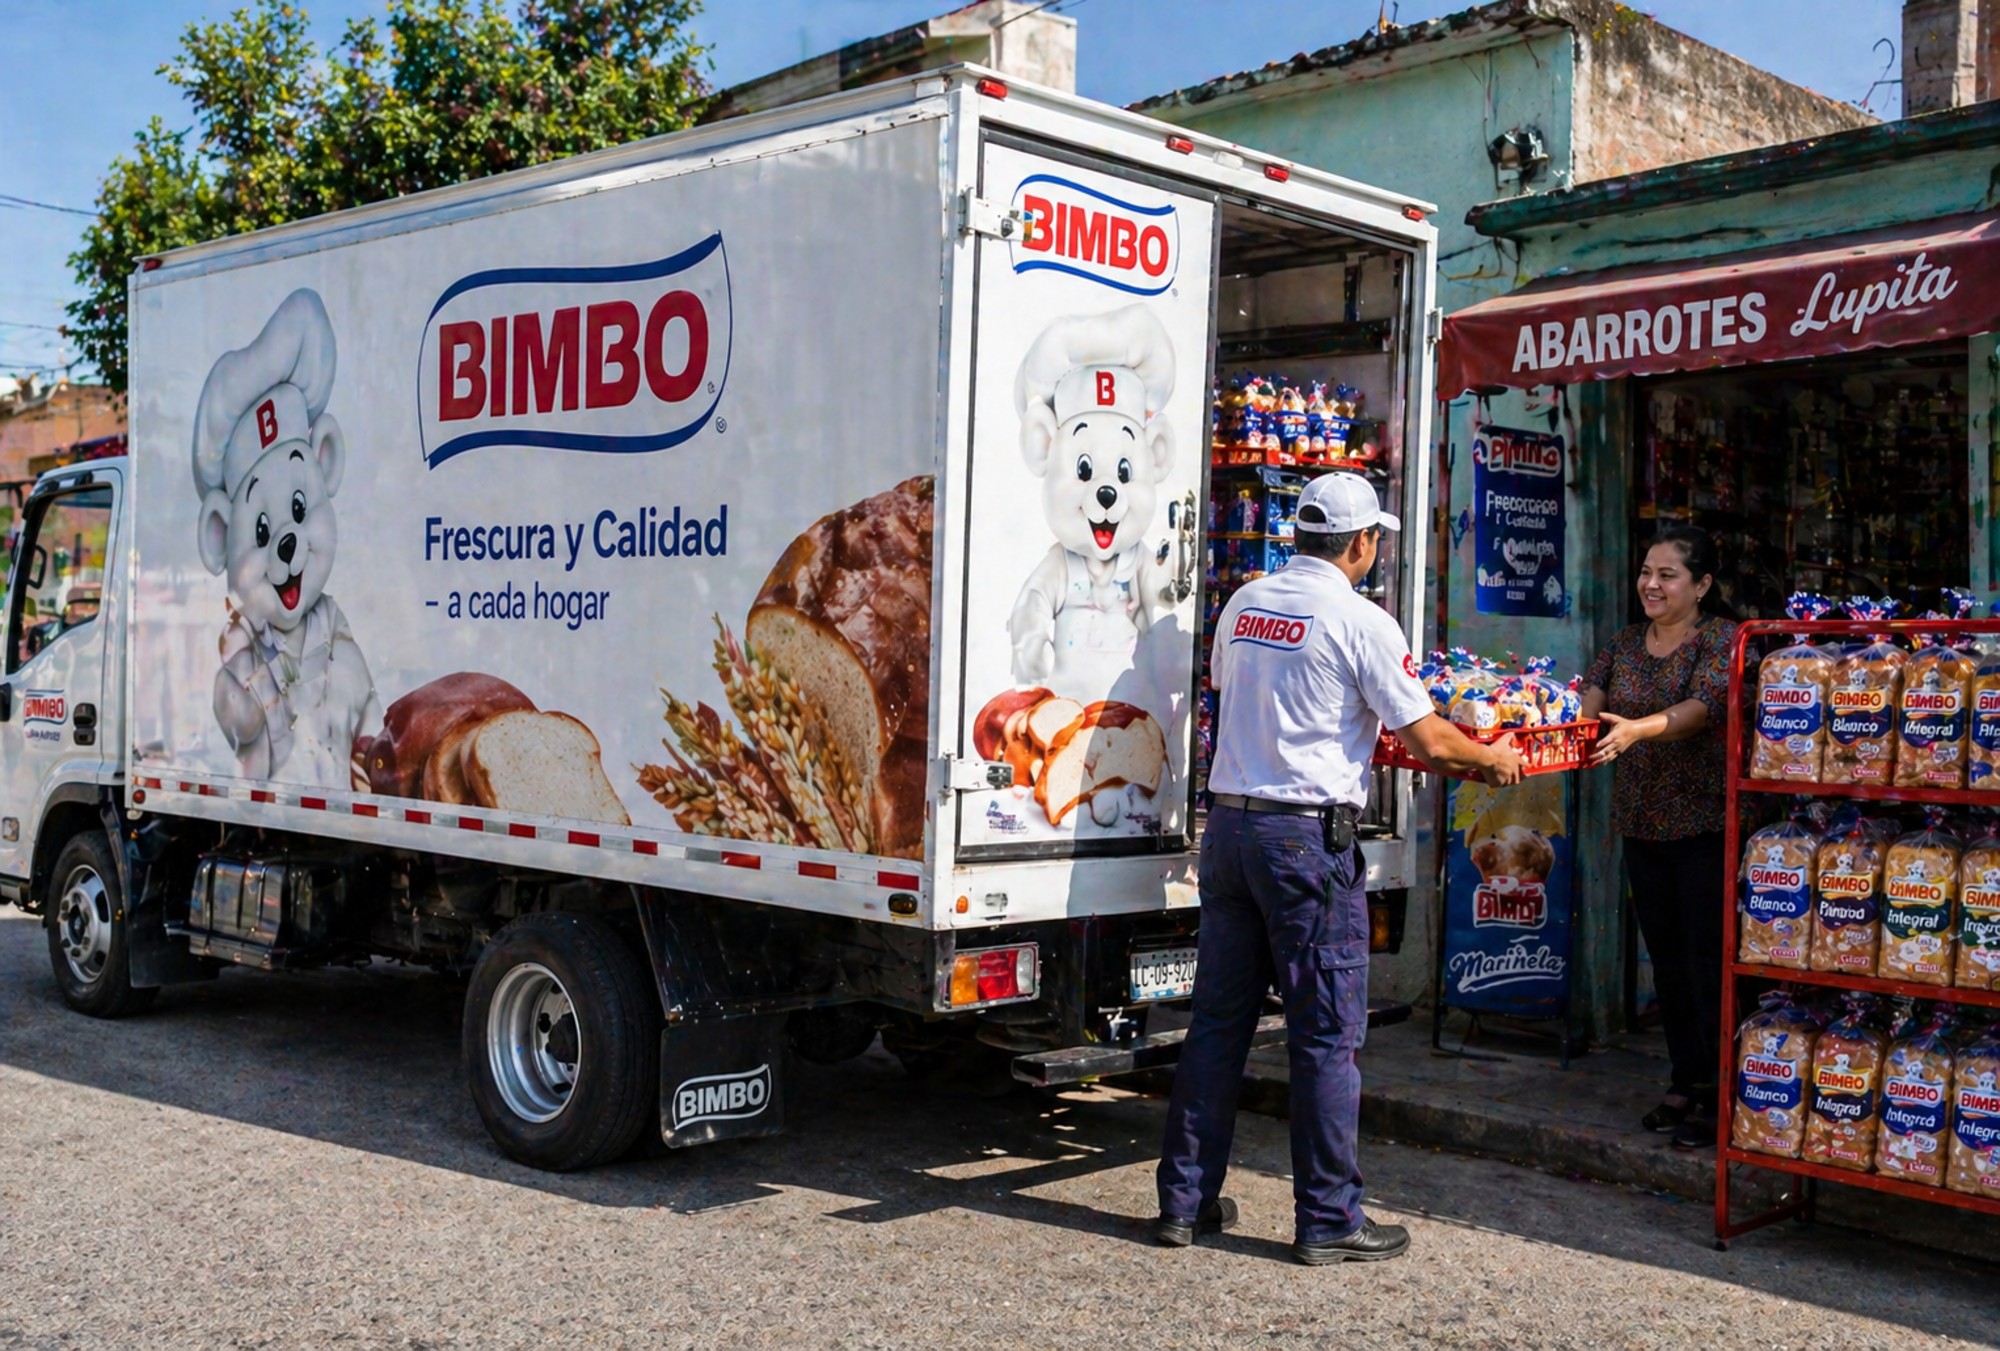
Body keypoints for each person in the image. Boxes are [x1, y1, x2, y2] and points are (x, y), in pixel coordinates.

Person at [1156, 472, 1523, 1265]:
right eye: (1374, 540)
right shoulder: (1360, 620)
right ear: (1362, 544)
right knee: (1324, 1034)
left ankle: (1183, 1202)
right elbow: (1428, 740)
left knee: (1218, 1022)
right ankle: (1327, 1217)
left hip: (1229, 829)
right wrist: (1491, 760)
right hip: (1302, 843)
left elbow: (1239, 693)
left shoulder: (1243, 603)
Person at [1579, 523, 1739, 1150]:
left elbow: (1701, 710)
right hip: (1642, 826)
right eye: (1647, 571)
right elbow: (1584, 705)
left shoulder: (1722, 641)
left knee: (1709, 964)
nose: (1651, 583)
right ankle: (1685, 1081)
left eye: (1667, 574)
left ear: (1701, 585)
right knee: (1667, 961)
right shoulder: (1622, 644)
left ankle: (1723, 1097)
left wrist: (1638, 730)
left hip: (1706, 827)